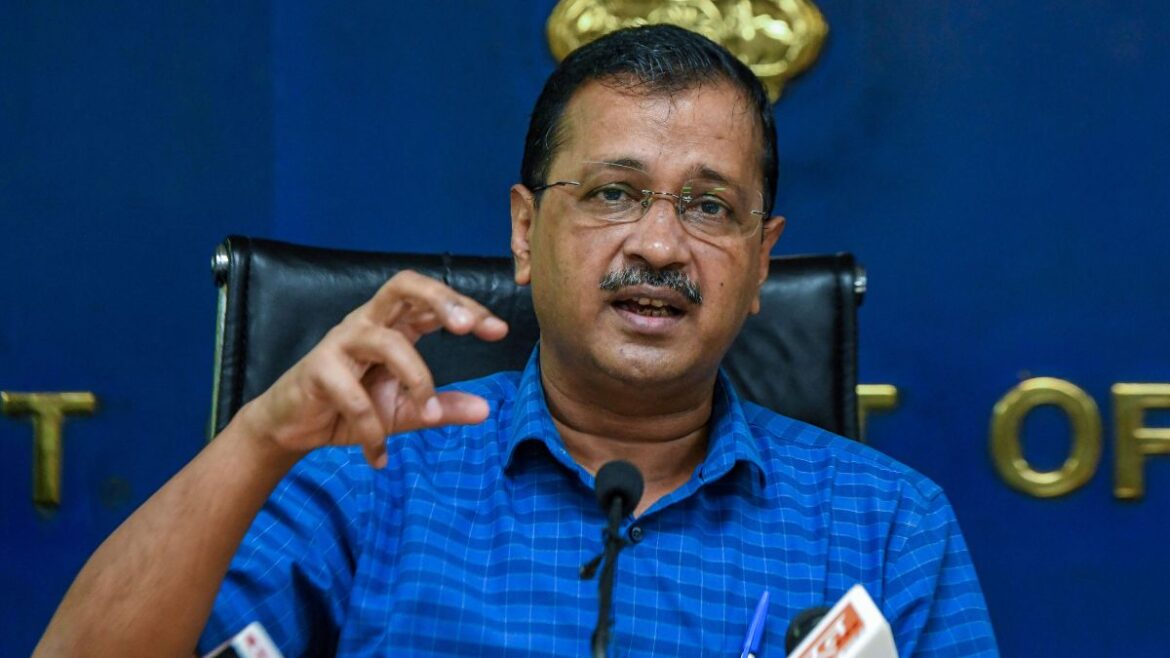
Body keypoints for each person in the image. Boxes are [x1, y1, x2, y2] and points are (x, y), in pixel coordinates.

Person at [36, 25, 997, 657]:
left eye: (709, 207)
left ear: (759, 263)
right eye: (614, 193)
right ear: (524, 233)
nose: (660, 245)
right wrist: (260, 441)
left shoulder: (887, 526)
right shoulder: (370, 476)